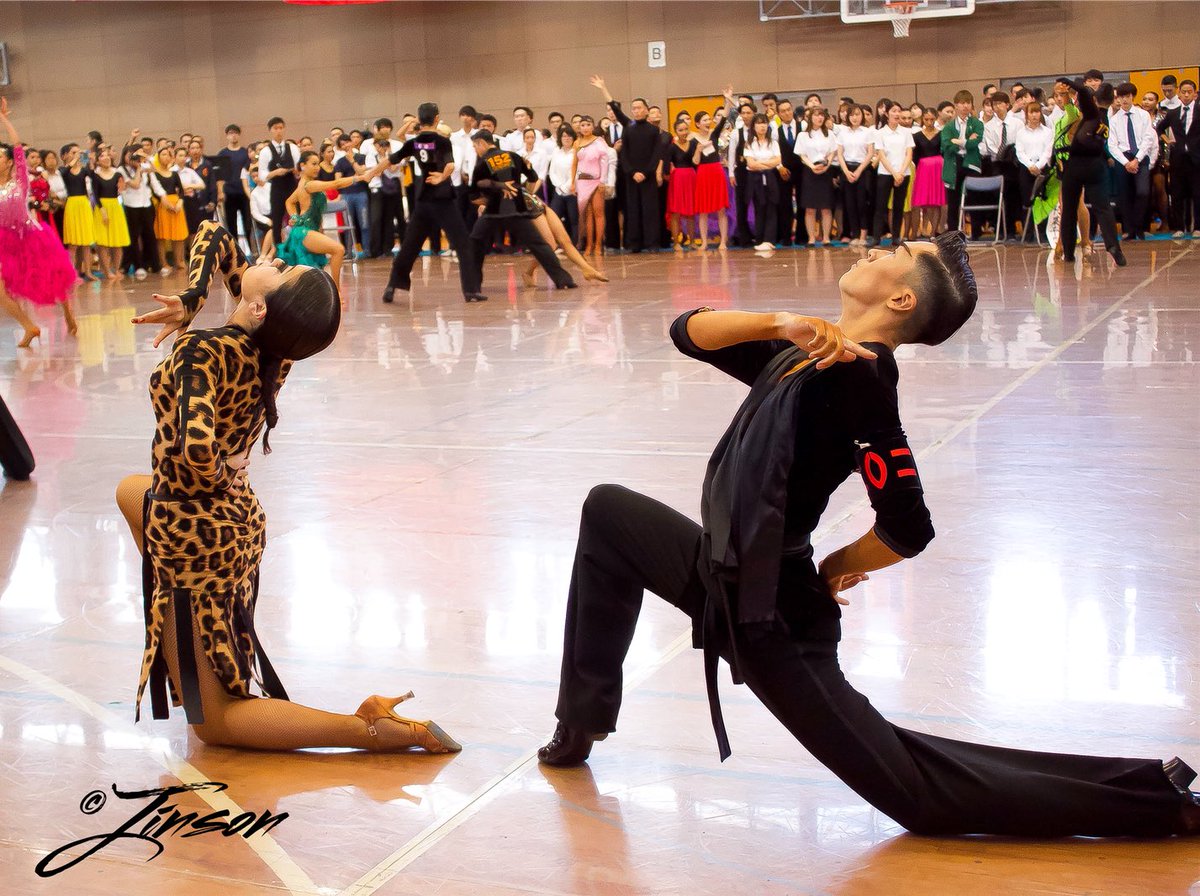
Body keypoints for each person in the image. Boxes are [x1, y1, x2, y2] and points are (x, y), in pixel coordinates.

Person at [535, 230, 1200, 839]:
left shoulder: (863, 381)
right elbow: (687, 330)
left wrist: (831, 567)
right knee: (609, 512)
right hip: (723, 573)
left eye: (891, 253)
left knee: (920, 799)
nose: (872, 250)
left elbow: (908, 526)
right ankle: (582, 720)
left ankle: (1157, 804)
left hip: (776, 621)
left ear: (902, 297)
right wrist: (780, 321)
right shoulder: (804, 354)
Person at [114, 221, 460, 754]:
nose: (272, 260)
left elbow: (195, 448)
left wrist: (208, 484)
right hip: (236, 518)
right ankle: (183, 642)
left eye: (281, 270)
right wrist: (191, 296)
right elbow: (215, 233)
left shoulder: (200, 354)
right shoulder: (273, 349)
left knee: (217, 725)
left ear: (258, 309)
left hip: (199, 528)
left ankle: (363, 727)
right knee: (132, 491)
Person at [381, 102, 485, 304]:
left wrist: (370, 173)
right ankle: (471, 291)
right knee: (463, 244)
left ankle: (392, 286)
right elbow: (451, 164)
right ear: (437, 118)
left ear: (419, 120)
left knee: (410, 246)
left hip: (423, 201)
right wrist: (441, 177)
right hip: (443, 199)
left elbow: (391, 160)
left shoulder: (414, 143)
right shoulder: (443, 141)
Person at [0, 98, 77, 348]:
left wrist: (4, 119)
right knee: (2, 292)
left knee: (53, 280)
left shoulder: (20, 179)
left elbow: (16, 146)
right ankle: (29, 327)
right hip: (5, 244)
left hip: (31, 237)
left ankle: (68, 314)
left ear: (9, 161)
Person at [467, 130, 576, 290]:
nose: (476, 150)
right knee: (539, 244)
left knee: (476, 242)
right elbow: (533, 178)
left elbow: (473, 196)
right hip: (517, 209)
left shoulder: (482, 164)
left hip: (494, 211)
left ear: (482, 143)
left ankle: (473, 287)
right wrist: (523, 193)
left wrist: (490, 200)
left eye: (475, 146)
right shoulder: (514, 156)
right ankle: (564, 280)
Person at [276, 150, 386, 293]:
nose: (317, 167)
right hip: (303, 232)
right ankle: (335, 291)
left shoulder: (303, 184)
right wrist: (359, 178)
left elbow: (289, 202)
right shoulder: (309, 185)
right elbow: (336, 184)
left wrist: (294, 217)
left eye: (318, 164)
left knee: (307, 276)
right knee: (338, 250)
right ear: (303, 165)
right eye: (313, 164)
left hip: (308, 229)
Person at [591, 76, 663, 253]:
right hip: (631, 177)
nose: (636, 111)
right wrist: (603, 88)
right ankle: (634, 244)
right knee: (632, 210)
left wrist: (646, 172)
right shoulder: (629, 127)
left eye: (639, 108)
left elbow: (656, 155)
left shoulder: (654, 130)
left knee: (650, 211)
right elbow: (624, 155)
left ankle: (652, 243)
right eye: (634, 109)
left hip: (647, 177)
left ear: (647, 111)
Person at [1060, 80, 1125, 265]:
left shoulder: (1092, 114)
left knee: (1069, 210)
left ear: (1094, 99)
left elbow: (1083, 92)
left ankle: (1069, 252)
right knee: (1103, 208)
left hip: (1076, 166)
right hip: (1096, 167)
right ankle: (1114, 246)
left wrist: (1069, 82)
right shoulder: (1106, 119)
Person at [1108, 82, 1156, 241]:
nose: (1124, 100)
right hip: (1123, 159)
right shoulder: (1114, 119)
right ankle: (1129, 229)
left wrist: (1137, 159)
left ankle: (1139, 226)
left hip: (1140, 156)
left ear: (1132, 96)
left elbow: (1148, 138)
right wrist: (1126, 162)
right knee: (1125, 195)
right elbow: (1112, 145)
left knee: (1143, 192)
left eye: (1127, 96)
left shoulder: (1143, 115)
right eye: (1121, 97)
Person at [1155, 79, 1200, 236]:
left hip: (1196, 159)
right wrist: (1168, 141)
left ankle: (1197, 227)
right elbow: (1159, 127)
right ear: (1179, 93)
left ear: (1195, 94)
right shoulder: (1173, 113)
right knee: (1177, 193)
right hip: (1178, 158)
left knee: (1197, 193)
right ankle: (1180, 227)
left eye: (1189, 92)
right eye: (1184, 92)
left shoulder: (1199, 110)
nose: (1186, 95)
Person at [940, 90, 984, 240]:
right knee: (953, 200)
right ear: (956, 105)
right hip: (954, 163)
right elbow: (945, 145)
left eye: (968, 103)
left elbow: (975, 143)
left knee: (974, 197)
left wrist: (958, 141)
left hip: (971, 163)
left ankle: (977, 231)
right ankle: (953, 234)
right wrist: (965, 142)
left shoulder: (977, 123)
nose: (965, 106)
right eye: (962, 103)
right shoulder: (949, 126)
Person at [870, 102, 914, 247]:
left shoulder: (906, 132)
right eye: (894, 111)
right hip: (885, 173)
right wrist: (894, 173)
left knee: (899, 206)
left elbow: (909, 153)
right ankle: (876, 237)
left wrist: (900, 172)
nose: (897, 114)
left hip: (903, 173)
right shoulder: (880, 133)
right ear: (887, 114)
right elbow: (881, 155)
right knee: (880, 206)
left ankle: (896, 236)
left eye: (898, 111)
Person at [693, 98, 732, 254]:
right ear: (697, 124)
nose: (708, 122)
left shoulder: (714, 134)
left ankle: (723, 241)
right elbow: (695, 161)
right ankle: (703, 242)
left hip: (716, 171)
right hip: (702, 173)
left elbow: (724, 117)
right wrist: (698, 149)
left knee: (721, 209)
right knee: (703, 210)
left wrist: (728, 100)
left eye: (709, 119)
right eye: (704, 120)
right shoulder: (693, 139)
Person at [796, 106, 837, 246]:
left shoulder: (830, 134)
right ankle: (811, 238)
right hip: (810, 171)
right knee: (810, 207)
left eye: (822, 115)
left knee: (826, 207)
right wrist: (812, 166)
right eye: (816, 115)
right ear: (810, 117)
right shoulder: (803, 135)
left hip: (826, 171)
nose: (819, 118)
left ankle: (826, 237)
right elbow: (802, 155)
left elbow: (833, 152)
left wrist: (827, 164)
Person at [1014, 101, 1053, 243]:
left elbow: (1048, 152)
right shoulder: (1021, 133)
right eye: (1032, 112)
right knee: (1027, 200)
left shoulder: (1048, 132)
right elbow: (1020, 152)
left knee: (1043, 199)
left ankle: (1043, 232)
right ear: (1027, 115)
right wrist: (1030, 165)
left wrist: (1039, 165)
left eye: (1037, 112)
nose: (1035, 115)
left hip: (1043, 168)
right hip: (1026, 168)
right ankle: (1028, 232)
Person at [837, 105, 875, 246]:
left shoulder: (867, 132)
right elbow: (839, 153)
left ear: (862, 116)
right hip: (847, 169)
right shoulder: (842, 132)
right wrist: (846, 171)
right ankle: (855, 234)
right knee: (850, 203)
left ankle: (863, 235)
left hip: (862, 169)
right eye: (852, 115)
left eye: (857, 114)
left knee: (861, 203)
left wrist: (859, 170)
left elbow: (870, 153)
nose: (855, 117)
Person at [259, 117, 300, 247]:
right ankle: (278, 250)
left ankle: (299, 246)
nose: (279, 131)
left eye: (281, 128)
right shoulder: (265, 151)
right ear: (270, 130)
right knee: (276, 219)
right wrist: (275, 173)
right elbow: (262, 174)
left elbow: (299, 167)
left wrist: (295, 170)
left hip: (292, 185)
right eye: (275, 128)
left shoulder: (292, 148)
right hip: (277, 187)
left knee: (297, 215)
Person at [90, 146, 130, 279]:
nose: (105, 158)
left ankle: (117, 268)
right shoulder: (95, 175)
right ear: (97, 160)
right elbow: (95, 195)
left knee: (117, 241)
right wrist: (102, 211)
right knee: (102, 243)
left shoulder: (117, 173)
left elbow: (121, 191)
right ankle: (106, 271)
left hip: (115, 207)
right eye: (102, 156)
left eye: (107, 155)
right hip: (101, 208)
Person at [572, 116, 610, 257]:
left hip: (596, 180)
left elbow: (604, 162)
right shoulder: (577, 143)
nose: (585, 127)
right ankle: (589, 244)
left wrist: (603, 181)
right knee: (586, 215)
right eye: (582, 125)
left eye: (588, 124)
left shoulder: (599, 142)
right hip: (582, 182)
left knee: (598, 213)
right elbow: (575, 164)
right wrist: (572, 182)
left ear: (593, 126)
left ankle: (599, 245)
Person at [59, 142, 97, 280]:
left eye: (78, 152)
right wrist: (74, 160)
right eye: (73, 152)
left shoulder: (83, 169)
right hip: (72, 204)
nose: (77, 155)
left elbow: (93, 177)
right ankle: (72, 273)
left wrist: (91, 162)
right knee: (73, 243)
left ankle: (88, 271)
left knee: (86, 242)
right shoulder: (64, 170)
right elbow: (63, 173)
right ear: (66, 155)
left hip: (83, 204)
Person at [744, 113, 781, 252]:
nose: (762, 126)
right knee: (759, 208)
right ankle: (759, 238)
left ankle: (769, 239)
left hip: (771, 177)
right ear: (754, 126)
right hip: (755, 179)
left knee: (772, 207)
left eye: (764, 123)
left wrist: (760, 163)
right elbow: (751, 164)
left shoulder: (773, 143)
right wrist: (767, 163)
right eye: (759, 123)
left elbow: (777, 160)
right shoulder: (749, 143)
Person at [910, 105, 946, 238]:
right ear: (922, 119)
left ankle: (933, 232)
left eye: (932, 119)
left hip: (937, 169)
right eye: (926, 119)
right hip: (923, 169)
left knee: (935, 202)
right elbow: (915, 155)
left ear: (935, 119)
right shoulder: (917, 136)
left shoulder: (941, 134)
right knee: (918, 202)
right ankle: (914, 233)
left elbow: (944, 152)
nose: (929, 122)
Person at [217, 124, 254, 253]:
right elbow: (219, 175)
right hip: (229, 193)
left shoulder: (245, 152)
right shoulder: (222, 153)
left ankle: (250, 249)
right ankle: (234, 251)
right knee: (231, 224)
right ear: (227, 135)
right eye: (230, 133)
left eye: (235, 133)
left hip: (244, 193)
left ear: (239, 134)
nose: (233, 135)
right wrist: (220, 191)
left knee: (248, 223)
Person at [665, 116, 698, 251]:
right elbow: (667, 164)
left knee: (691, 212)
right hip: (677, 179)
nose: (684, 132)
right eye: (680, 130)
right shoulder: (671, 147)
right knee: (675, 212)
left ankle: (692, 241)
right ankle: (676, 243)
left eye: (685, 129)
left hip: (691, 178)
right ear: (675, 132)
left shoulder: (694, 144)